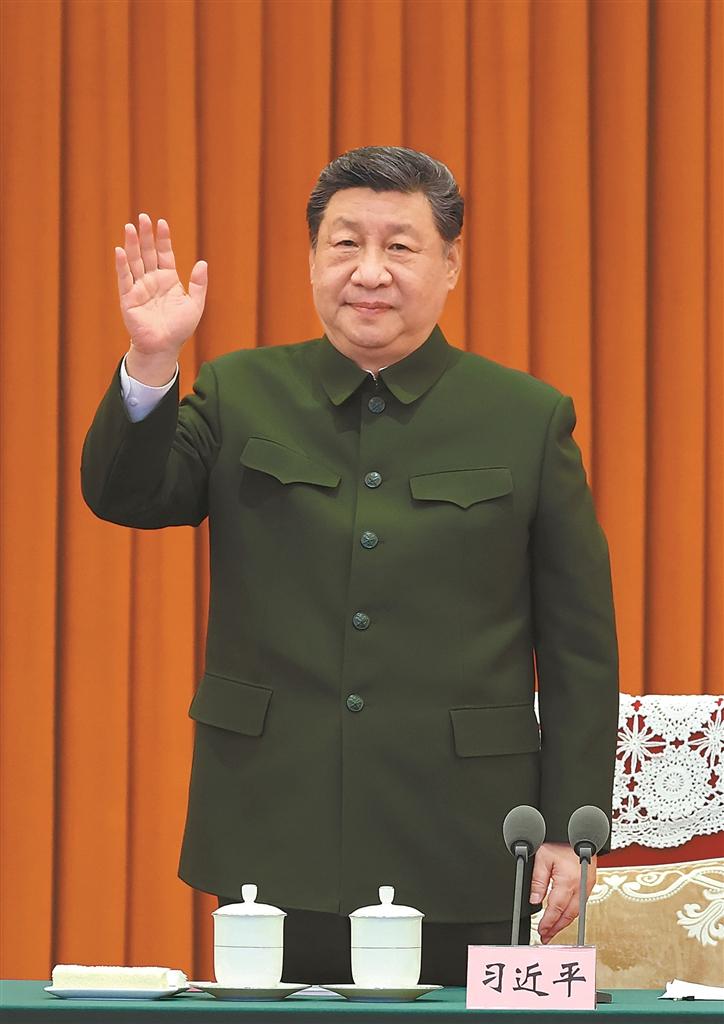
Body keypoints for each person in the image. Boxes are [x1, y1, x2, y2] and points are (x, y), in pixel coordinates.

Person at [82, 146, 619, 985]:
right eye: (345, 244)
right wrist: (151, 363)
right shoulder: (240, 392)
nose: (370, 271)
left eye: (400, 246)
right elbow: (127, 494)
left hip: (469, 833)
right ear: (312, 260)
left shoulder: (525, 417)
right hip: (273, 820)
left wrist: (566, 827)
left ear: (450, 265)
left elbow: (580, 642)